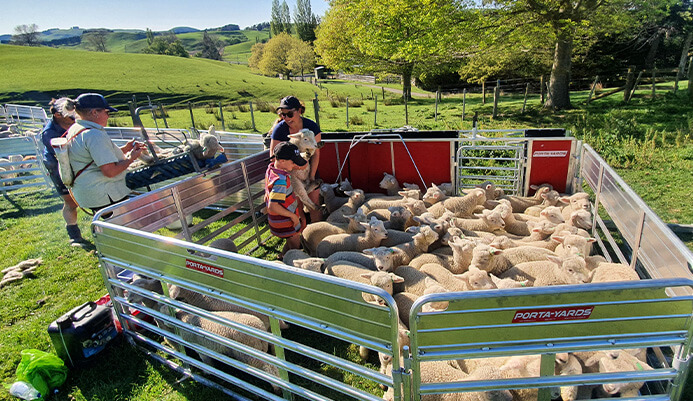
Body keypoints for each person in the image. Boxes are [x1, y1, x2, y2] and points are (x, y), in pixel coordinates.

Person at [64, 93, 144, 213]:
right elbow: (110, 171)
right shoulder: (94, 135)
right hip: (104, 194)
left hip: (91, 193)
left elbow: (96, 158)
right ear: (94, 112)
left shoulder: (76, 128)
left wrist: (125, 149)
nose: (108, 116)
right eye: (106, 112)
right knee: (131, 226)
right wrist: (131, 158)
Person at [40, 98, 88, 247]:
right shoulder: (49, 133)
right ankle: (74, 234)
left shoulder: (75, 122)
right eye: (69, 114)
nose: (73, 117)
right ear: (57, 115)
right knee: (70, 201)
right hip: (58, 166)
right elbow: (61, 155)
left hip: (79, 161)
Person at [268, 96, 322, 222]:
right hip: (290, 174)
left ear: (299, 111)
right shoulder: (280, 130)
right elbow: (273, 158)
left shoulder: (311, 127)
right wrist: (297, 167)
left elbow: (316, 153)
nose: (286, 118)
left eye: (289, 114)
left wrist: (312, 176)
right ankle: (303, 235)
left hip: (309, 169)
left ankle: (316, 234)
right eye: (282, 114)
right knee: (297, 206)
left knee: (314, 203)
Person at [265, 142, 308, 257]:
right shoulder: (280, 180)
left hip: (278, 219)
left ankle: (282, 257)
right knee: (296, 248)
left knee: (290, 243)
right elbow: (273, 206)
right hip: (285, 221)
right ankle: (288, 266)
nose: (295, 165)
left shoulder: (271, 169)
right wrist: (294, 217)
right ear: (282, 161)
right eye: (293, 162)